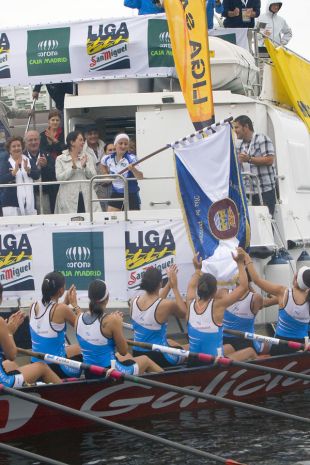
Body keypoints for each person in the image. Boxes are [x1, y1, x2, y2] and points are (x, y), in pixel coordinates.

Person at [76, 279, 163, 377]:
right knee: (145, 360)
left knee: (128, 357)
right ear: (107, 298)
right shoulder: (112, 321)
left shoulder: (78, 318)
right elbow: (123, 351)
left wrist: (114, 320)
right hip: (110, 372)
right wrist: (117, 323)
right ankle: (170, 382)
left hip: (90, 372)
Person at [239, 249, 310, 355]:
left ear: (296, 277)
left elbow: (257, 280)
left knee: (258, 348)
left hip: (280, 345)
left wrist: (246, 259)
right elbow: (264, 303)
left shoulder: (283, 292)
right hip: (302, 345)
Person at [186, 249, 248, 363]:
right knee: (249, 351)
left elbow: (190, 286)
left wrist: (197, 269)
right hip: (215, 364)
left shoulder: (190, 302)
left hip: (193, 362)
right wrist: (240, 263)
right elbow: (243, 287)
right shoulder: (218, 306)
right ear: (215, 291)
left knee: (230, 346)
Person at [0, 283, 61, 387]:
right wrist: (9, 333)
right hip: (3, 384)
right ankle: (66, 397)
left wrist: (5, 334)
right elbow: (11, 355)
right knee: (42, 367)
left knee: (11, 365)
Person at [130, 266, 187, 368]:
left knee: (170, 341)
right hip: (160, 356)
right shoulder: (167, 305)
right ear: (160, 283)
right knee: (188, 348)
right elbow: (184, 314)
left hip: (137, 353)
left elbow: (155, 303)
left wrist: (169, 283)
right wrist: (174, 287)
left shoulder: (133, 300)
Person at [29, 271, 82, 378]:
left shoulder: (33, 305)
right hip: (57, 368)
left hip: (34, 362)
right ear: (61, 291)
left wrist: (65, 303)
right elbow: (85, 328)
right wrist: (75, 305)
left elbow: (50, 314)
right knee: (83, 348)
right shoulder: (62, 309)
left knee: (73, 348)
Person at [234, 115, 276, 216]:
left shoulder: (261, 138)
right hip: (248, 192)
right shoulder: (239, 145)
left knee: (266, 224)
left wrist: (249, 159)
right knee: (253, 225)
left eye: (237, 127)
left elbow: (270, 159)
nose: (235, 130)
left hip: (265, 191)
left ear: (246, 127)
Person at [222, 270, 266, 360]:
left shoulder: (224, 293)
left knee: (266, 346)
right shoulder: (256, 297)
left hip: (231, 340)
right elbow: (262, 305)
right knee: (268, 347)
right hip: (243, 342)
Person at [55, 131, 101, 214]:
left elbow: (94, 177)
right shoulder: (60, 158)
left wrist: (84, 167)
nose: (83, 142)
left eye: (83, 140)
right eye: (80, 140)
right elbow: (59, 178)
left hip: (86, 196)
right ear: (72, 142)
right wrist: (73, 168)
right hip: (67, 198)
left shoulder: (87, 157)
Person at [101, 133, 143, 211]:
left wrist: (133, 169)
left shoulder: (132, 158)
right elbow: (102, 163)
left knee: (133, 221)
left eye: (126, 144)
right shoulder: (108, 158)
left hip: (131, 193)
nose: (123, 146)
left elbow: (140, 177)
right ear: (115, 145)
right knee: (111, 218)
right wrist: (105, 174)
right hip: (116, 193)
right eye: (120, 143)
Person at [0, 136, 39, 216]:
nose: (17, 148)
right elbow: (1, 180)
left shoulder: (29, 161)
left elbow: (37, 176)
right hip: (11, 203)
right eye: (14, 146)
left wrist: (29, 171)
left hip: (29, 202)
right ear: (9, 150)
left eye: (19, 145)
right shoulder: (5, 162)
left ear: (22, 147)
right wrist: (13, 173)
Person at [24, 130, 57, 214]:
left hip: (45, 195)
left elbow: (55, 175)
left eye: (36, 139)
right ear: (25, 142)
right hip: (28, 196)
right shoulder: (22, 157)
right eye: (30, 140)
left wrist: (45, 166)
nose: (33, 142)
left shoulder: (47, 155)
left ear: (39, 141)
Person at [83, 125, 108, 211]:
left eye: (95, 133)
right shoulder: (82, 149)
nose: (93, 136)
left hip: (106, 185)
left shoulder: (104, 146)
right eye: (90, 134)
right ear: (85, 136)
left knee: (106, 210)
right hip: (91, 185)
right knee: (94, 211)